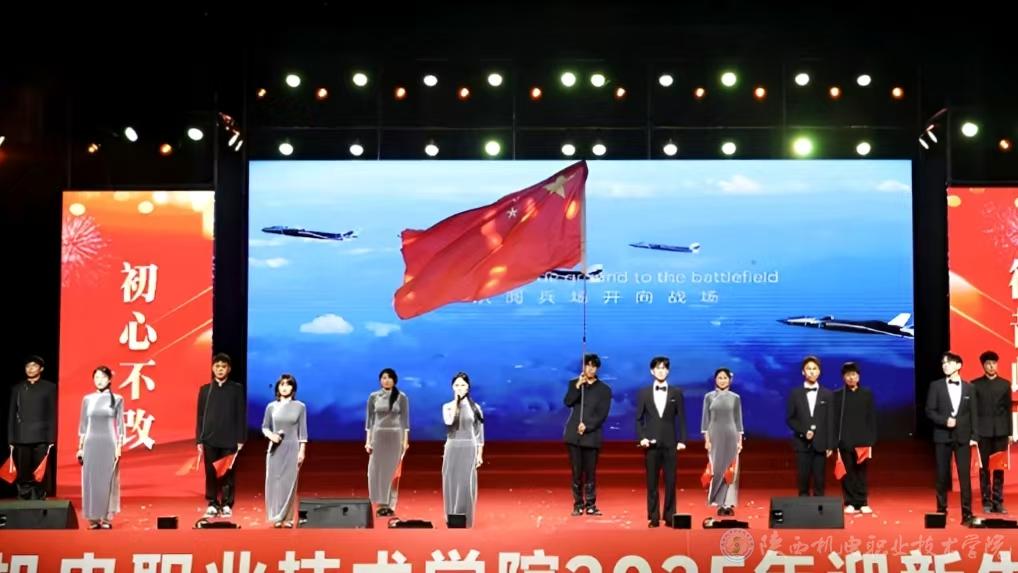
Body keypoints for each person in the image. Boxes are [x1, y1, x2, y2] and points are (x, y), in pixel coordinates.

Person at [925, 351, 979, 525]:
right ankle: (941, 510)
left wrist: (975, 436)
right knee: (942, 475)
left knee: (964, 476)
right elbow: (929, 411)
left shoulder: (969, 388)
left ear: (958, 365)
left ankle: (967, 513)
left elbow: (974, 414)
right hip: (942, 436)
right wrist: (944, 420)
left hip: (963, 437)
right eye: (943, 363)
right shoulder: (936, 386)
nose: (945, 366)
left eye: (948, 362)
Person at [635, 356, 687, 527]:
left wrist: (682, 440)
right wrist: (642, 437)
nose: (661, 371)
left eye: (664, 368)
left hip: (670, 442)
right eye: (658, 368)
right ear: (652, 371)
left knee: (671, 481)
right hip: (651, 444)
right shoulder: (643, 393)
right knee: (652, 482)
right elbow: (638, 419)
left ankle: (670, 515)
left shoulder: (676, 392)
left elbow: (682, 419)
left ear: (668, 371)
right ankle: (654, 516)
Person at [195, 353, 246, 518]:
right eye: (217, 366)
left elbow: (240, 414)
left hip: (229, 439)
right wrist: (199, 439)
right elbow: (200, 416)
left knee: (227, 473)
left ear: (229, 369)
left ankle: (226, 504)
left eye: (223, 366)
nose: (220, 369)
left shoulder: (236, 389)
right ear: (212, 368)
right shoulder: (205, 390)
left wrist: (241, 438)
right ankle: (212, 502)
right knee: (210, 472)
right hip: (209, 438)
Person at [563, 353, 612, 516]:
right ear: (583, 366)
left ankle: (591, 504)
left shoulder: (604, 389)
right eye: (587, 365)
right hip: (574, 435)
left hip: (592, 436)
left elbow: (602, 414)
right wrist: (578, 385)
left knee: (590, 472)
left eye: (593, 366)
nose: (590, 369)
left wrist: (588, 426)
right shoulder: (574, 384)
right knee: (576, 472)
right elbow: (568, 402)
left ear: (597, 368)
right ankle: (578, 504)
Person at [77, 366, 125, 529]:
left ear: (110, 379)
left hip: (109, 443)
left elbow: (120, 425)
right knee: (90, 480)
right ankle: (93, 518)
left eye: (103, 377)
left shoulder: (117, 399)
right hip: (91, 443)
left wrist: (119, 446)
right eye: (96, 377)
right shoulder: (87, 399)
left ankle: (106, 518)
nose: (99, 380)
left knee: (107, 480)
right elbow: (83, 426)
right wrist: (80, 447)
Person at [7, 355, 57, 500]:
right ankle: (24, 494)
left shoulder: (50, 387)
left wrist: (51, 438)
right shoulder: (17, 388)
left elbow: (52, 413)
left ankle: (40, 495)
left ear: (41, 369)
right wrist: (11, 439)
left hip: (42, 435)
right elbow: (12, 414)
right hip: (21, 435)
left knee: (40, 469)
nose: (30, 369)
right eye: (28, 366)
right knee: (23, 468)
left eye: (34, 366)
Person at [262, 374, 308, 528]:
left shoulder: (300, 406)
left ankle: (288, 518)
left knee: (289, 483)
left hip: (292, 448)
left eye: (288, 384)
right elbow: (265, 427)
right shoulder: (271, 407)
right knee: (275, 482)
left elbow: (303, 432)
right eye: (282, 384)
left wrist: (302, 451)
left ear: (293, 388)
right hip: (275, 449)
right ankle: (276, 517)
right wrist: (271, 435)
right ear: (277, 388)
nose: (284, 387)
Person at [786, 356, 835, 496]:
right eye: (808, 369)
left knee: (820, 479)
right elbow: (790, 419)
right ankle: (803, 505)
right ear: (803, 372)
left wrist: (830, 445)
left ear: (819, 372)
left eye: (815, 369)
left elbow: (831, 420)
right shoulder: (795, 393)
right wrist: (803, 431)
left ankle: (819, 507)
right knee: (803, 478)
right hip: (802, 444)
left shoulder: (828, 394)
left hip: (821, 444)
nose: (812, 372)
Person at [832, 362, 877, 514]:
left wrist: (871, 439)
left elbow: (871, 418)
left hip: (863, 440)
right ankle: (850, 502)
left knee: (861, 472)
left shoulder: (866, 394)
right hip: (844, 440)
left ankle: (862, 501)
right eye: (848, 375)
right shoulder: (838, 395)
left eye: (853, 374)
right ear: (843, 377)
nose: (851, 377)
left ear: (858, 376)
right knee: (848, 473)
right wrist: (835, 441)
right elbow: (835, 419)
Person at [971, 350, 1012, 514]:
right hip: (983, 432)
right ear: (983, 366)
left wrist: (1010, 433)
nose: (991, 366)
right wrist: (974, 433)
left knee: (999, 468)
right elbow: (973, 411)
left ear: (997, 364)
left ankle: (998, 502)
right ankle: (986, 502)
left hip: (1001, 432)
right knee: (984, 469)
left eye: (994, 363)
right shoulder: (975, 385)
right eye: (988, 363)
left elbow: (1008, 410)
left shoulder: (1005, 384)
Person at [442, 372, 484, 527]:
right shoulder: (447, 406)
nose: (460, 387)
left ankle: (466, 518)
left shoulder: (476, 408)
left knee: (466, 483)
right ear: (452, 387)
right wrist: (456, 401)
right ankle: (451, 517)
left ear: (468, 387)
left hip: (469, 447)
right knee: (450, 481)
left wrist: (479, 454)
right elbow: (449, 421)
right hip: (452, 446)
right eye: (457, 385)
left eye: (463, 385)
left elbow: (479, 433)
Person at [365, 368, 409, 517]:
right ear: (380, 380)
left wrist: (405, 441)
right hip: (378, 436)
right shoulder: (373, 396)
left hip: (395, 436)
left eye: (389, 378)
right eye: (384, 377)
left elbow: (405, 422)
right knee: (376, 470)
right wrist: (368, 441)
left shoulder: (401, 397)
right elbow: (369, 421)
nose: (386, 380)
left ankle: (390, 505)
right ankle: (380, 503)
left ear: (394, 380)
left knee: (392, 471)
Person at [701, 367, 743, 516]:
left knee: (731, 469)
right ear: (715, 380)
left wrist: (739, 441)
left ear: (730, 380)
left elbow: (738, 421)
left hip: (731, 435)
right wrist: (707, 439)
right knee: (717, 469)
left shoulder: (735, 398)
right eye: (720, 378)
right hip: (715, 436)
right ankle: (717, 501)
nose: (722, 380)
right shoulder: (709, 397)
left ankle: (728, 503)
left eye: (725, 378)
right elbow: (705, 420)